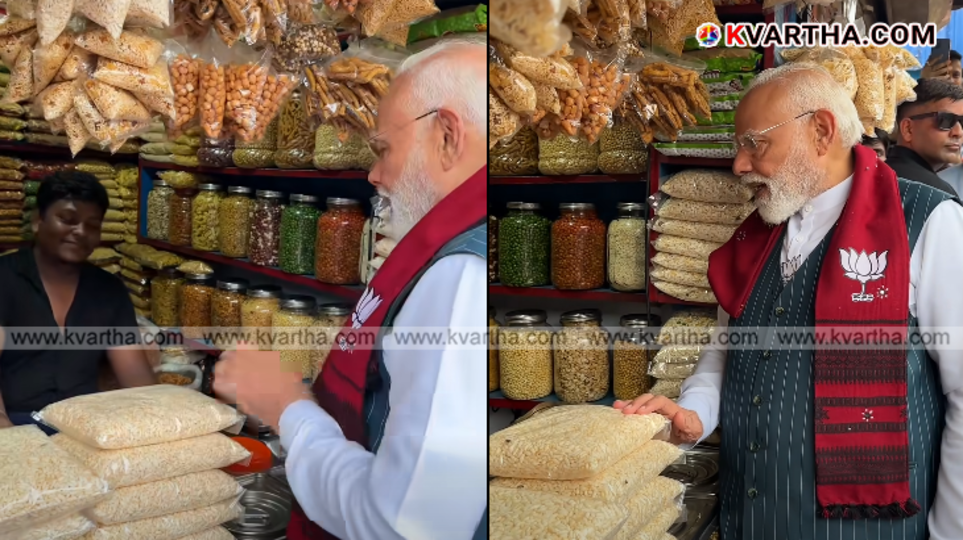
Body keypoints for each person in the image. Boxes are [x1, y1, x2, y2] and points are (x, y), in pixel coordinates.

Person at [617, 62, 963, 540]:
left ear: (820, 131)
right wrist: (695, 413)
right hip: (751, 519)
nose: (739, 165)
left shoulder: (928, 220)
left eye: (754, 144)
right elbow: (726, 351)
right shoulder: (754, 237)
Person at [212, 39, 488, 540]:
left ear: (448, 136)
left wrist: (286, 406)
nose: (374, 175)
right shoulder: (451, 247)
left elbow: (404, 526)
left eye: (383, 150)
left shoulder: (458, 274)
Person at [0, 172, 156, 431]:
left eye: (92, 225)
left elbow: (136, 378)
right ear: (38, 221)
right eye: (67, 220)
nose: (81, 232)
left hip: (84, 425)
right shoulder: (5, 278)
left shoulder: (109, 290)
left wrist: (161, 418)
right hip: (15, 422)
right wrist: (8, 432)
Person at [885, 77, 961, 197]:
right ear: (908, 129)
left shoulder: (870, 176)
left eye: (962, 122)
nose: (959, 132)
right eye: (945, 120)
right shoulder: (937, 193)